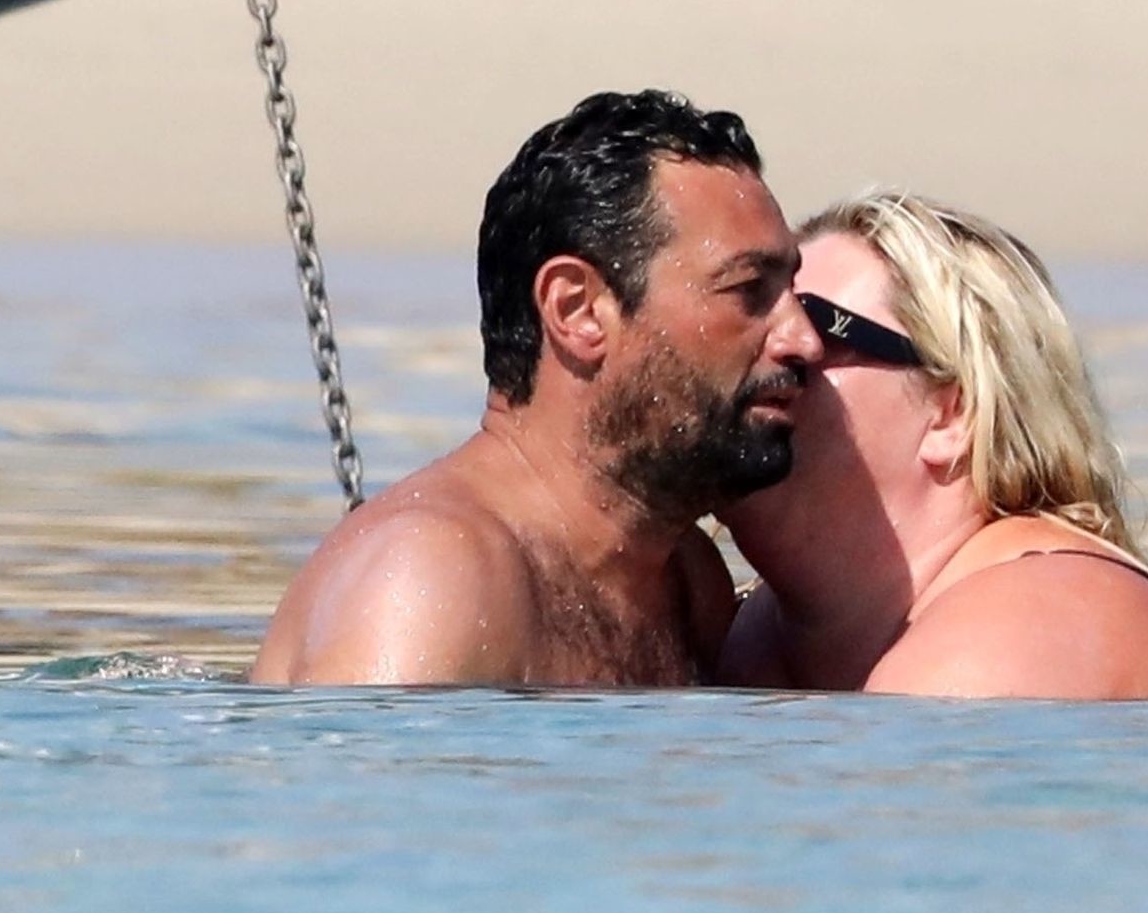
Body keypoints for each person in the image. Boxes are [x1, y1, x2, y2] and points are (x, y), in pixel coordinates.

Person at [250, 90, 822, 687]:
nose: (804, 340)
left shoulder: (686, 580)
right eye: (748, 290)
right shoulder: (431, 581)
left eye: (793, 294)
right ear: (577, 310)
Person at [715, 192, 1148, 702]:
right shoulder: (747, 630)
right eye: (751, 315)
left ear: (951, 415)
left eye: (818, 326)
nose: (771, 352)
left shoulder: (1026, 622)